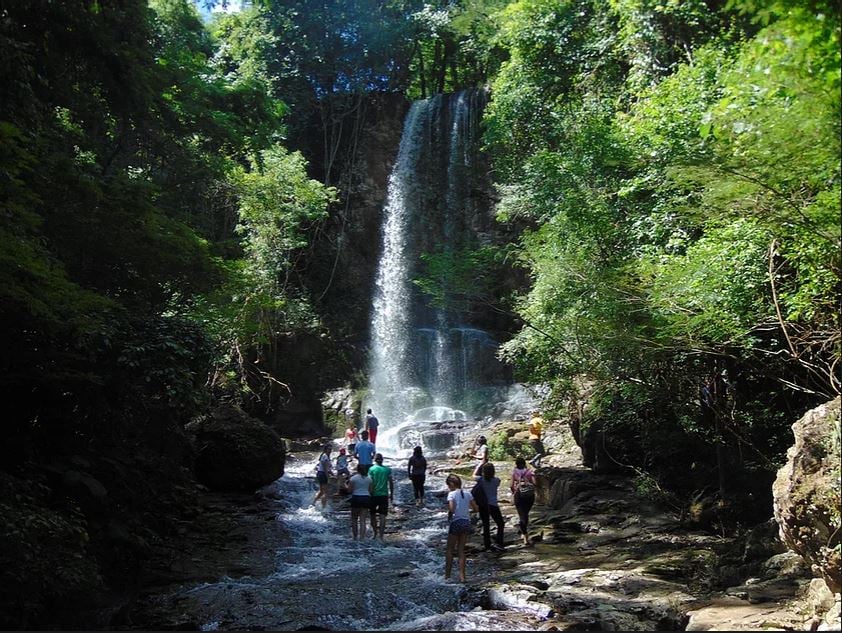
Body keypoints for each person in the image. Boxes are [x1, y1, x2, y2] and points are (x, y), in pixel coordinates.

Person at [444, 473, 478, 583]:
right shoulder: (468, 493)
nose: (448, 487)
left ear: (452, 484)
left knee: (450, 550)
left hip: (456, 522)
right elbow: (476, 508)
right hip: (466, 522)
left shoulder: (451, 494)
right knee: (461, 550)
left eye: (448, 485)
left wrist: (450, 511)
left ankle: (447, 576)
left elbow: (452, 509)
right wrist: (467, 511)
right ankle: (463, 577)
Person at [475, 462, 505, 552]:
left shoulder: (480, 479)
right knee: (500, 524)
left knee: (486, 524)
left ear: (483, 471)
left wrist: (479, 465)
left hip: (483, 505)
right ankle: (499, 543)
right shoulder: (497, 480)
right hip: (493, 505)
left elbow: (473, 475)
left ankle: (487, 545)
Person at [367, 453, 394, 540]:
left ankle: (375, 533)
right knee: (382, 516)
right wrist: (392, 494)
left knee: (372, 515)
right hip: (384, 495)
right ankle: (381, 536)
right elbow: (391, 482)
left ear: (375, 460)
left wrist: (368, 493)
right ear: (382, 460)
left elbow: (369, 482)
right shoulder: (387, 470)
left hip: (373, 495)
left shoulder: (371, 469)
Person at [510, 456, 536, 545]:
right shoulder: (529, 471)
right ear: (524, 463)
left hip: (519, 495)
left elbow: (511, 485)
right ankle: (525, 536)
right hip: (529, 496)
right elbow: (535, 483)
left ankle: (524, 535)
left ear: (516, 464)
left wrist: (514, 492)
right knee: (525, 514)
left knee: (522, 515)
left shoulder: (514, 472)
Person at [347, 463, 372, 540]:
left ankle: (355, 537)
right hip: (366, 498)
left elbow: (349, 490)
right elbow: (371, 490)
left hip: (356, 498)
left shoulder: (353, 478)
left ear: (357, 469)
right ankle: (362, 537)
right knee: (363, 519)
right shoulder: (369, 479)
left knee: (354, 518)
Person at [313, 443, 333, 509]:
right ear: (326, 449)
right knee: (326, 492)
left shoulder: (326, 456)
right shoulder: (324, 456)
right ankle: (323, 508)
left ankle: (313, 503)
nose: (330, 450)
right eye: (329, 449)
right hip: (322, 474)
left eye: (331, 449)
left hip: (321, 473)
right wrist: (328, 478)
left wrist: (331, 472)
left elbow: (327, 468)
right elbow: (324, 468)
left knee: (322, 491)